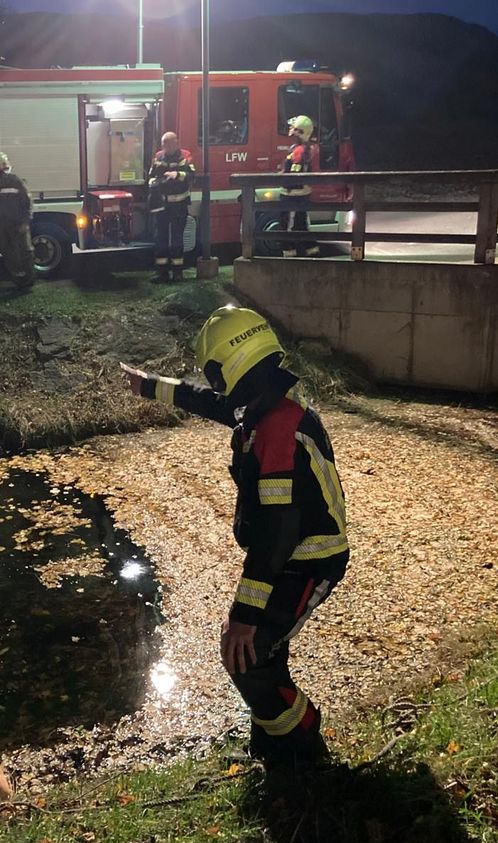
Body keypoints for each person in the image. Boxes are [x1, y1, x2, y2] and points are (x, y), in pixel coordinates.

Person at [120, 305, 348, 771]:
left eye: (215, 371)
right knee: (262, 651)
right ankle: (271, 744)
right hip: (287, 554)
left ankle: (305, 748)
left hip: (309, 559)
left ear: (227, 363)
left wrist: (244, 614)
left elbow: (277, 532)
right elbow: (211, 403)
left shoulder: (277, 430)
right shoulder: (267, 407)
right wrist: (148, 385)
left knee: (245, 653)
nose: (216, 382)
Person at [148, 131, 195, 283]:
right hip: (161, 205)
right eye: (164, 144)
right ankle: (161, 273)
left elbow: (191, 175)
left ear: (176, 143)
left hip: (179, 205)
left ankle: (178, 273)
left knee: (176, 239)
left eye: (168, 144)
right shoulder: (158, 157)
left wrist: (177, 174)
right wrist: (154, 182)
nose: (166, 147)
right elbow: (151, 175)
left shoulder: (185, 156)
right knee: (160, 238)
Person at [0, 151, 35, 290]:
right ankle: (18, 281)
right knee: (8, 253)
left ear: (2, 167)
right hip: (3, 225)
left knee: (25, 251)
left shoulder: (16, 181)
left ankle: (28, 280)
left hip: (18, 223)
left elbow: (28, 202)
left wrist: (25, 222)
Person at [279, 115, 320, 258]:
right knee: (301, 225)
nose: (292, 133)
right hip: (299, 195)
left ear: (300, 132)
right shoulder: (302, 149)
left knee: (287, 227)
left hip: (293, 196)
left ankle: (289, 256)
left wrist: (283, 179)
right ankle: (312, 252)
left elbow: (294, 175)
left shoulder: (299, 151)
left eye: (295, 130)